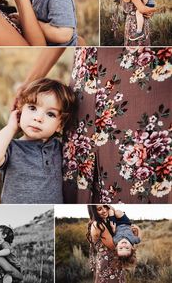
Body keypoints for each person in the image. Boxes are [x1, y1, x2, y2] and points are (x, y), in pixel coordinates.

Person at [14, 46, 172, 204]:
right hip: (87, 85)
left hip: (153, 83)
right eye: (32, 108)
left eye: (49, 114)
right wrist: (28, 84)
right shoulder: (19, 148)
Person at [0, 78, 77, 204]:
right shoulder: (12, 148)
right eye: (32, 108)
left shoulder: (59, 148)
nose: (38, 118)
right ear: (20, 112)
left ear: (60, 125)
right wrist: (11, 127)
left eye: (50, 114)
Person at [87, 205, 126, 283]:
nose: (104, 210)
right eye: (99, 209)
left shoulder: (100, 222)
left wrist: (112, 210)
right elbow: (113, 246)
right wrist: (115, 231)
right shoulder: (98, 225)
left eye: (105, 207)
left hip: (108, 261)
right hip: (108, 264)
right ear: (94, 211)